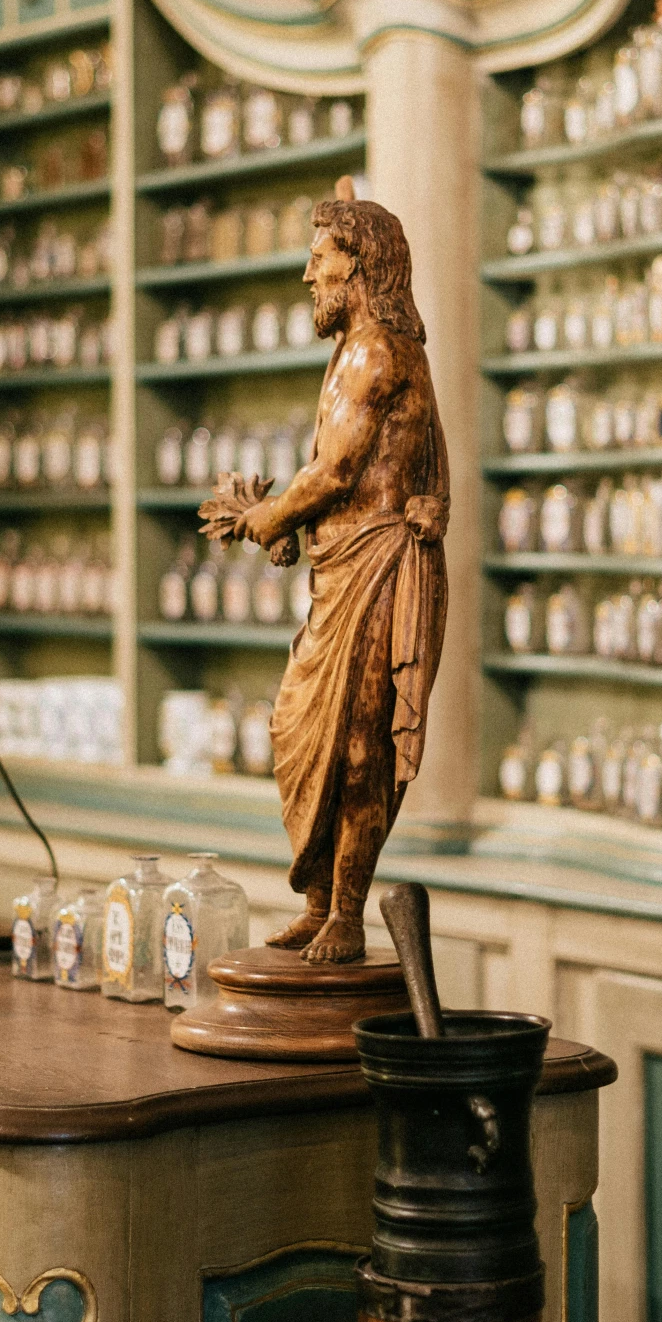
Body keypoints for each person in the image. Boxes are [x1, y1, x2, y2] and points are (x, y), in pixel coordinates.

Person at [199, 186, 446, 963]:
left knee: (361, 742)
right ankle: (319, 901)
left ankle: (345, 913)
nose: (308, 277)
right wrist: (290, 528)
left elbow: (336, 471)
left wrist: (263, 519)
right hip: (341, 571)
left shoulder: (379, 351)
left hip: (379, 572)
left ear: (358, 266)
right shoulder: (352, 349)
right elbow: (333, 472)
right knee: (303, 725)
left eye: (319, 260)